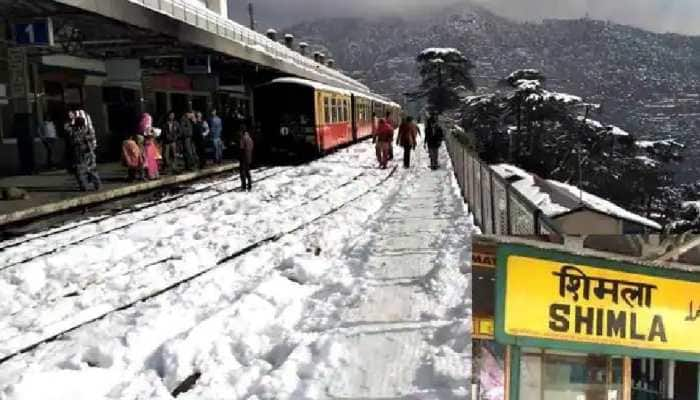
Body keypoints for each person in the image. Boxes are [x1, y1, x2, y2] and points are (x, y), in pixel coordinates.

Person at [70, 117, 101, 191]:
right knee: (87, 169)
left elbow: (91, 137)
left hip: (83, 152)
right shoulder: (77, 130)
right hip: (83, 152)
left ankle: (92, 185)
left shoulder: (80, 130)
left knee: (85, 170)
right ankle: (89, 185)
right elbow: (73, 140)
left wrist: (83, 137)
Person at [239, 126, 254, 191]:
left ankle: (243, 186)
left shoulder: (243, 138)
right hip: (249, 157)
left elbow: (241, 148)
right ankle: (250, 186)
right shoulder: (250, 139)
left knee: (242, 173)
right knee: (248, 172)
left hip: (243, 157)